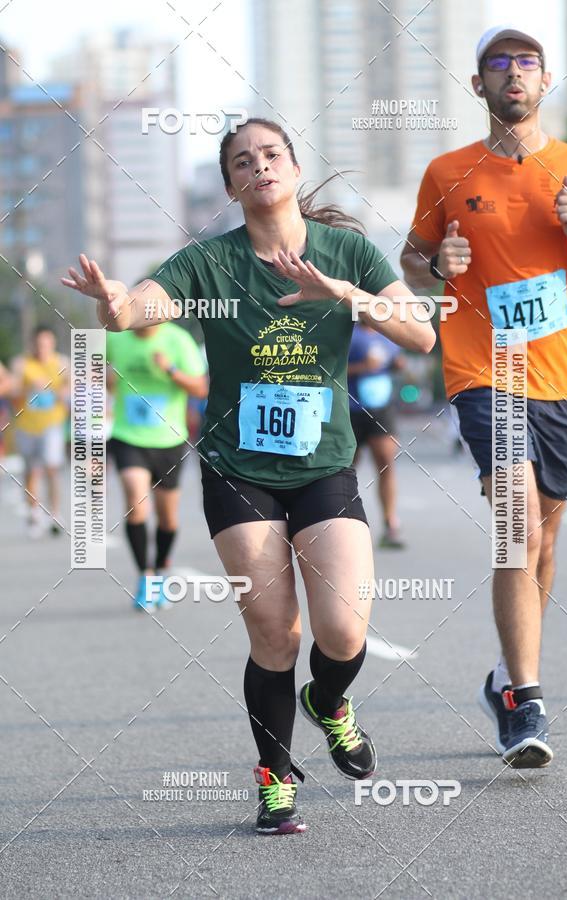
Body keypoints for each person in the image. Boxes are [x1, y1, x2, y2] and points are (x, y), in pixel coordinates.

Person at [62, 117, 435, 834]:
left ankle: (329, 703)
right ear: (232, 186)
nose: (258, 166)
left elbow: (419, 330)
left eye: (270, 154)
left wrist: (342, 294)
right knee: (273, 634)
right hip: (239, 470)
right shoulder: (210, 263)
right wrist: (116, 306)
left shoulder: (346, 249)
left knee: (344, 630)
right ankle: (274, 780)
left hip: (324, 463)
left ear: (293, 168)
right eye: (242, 161)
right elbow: (145, 306)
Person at [401, 25, 567, 768]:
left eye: (525, 63)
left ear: (545, 81)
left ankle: (504, 679)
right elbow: (413, 260)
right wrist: (436, 262)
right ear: (478, 84)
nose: (512, 73)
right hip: (486, 372)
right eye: (497, 63)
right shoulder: (449, 172)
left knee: (544, 541)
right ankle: (527, 699)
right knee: (515, 522)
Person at [106, 323, 208, 610]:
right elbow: (94, 372)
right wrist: (104, 378)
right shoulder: (117, 339)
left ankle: (160, 572)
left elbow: (200, 388)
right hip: (128, 436)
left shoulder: (179, 340)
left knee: (168, 520)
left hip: (169, 441)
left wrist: (171, 370)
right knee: (136, 505)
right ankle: (146, 578)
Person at [348, 322, 406, 548]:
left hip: (382, 409)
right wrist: (363, 367)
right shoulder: (349, 332)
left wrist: (398, 365)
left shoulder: (389, 333)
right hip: (351, 408)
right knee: (346, 469)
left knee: (386, 464)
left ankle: (390, 524)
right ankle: (345, 525)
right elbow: (329, 369)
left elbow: (396, 361)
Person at [10, 325, 70, 537]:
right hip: (26, 425)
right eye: (39, 344)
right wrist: (29, 387)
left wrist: (58, 390)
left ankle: (54, 513)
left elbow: (71, 389)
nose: (42, 348)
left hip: (52, 424)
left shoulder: (62, 363)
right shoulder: (22, 363)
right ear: (33, 344)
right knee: (32, 471)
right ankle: (34, 512)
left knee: (52, 468)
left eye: (46, 344)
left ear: (52, 344)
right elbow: (12, 390)